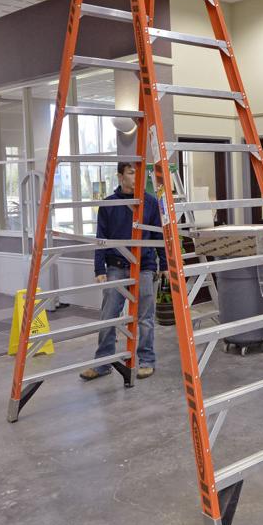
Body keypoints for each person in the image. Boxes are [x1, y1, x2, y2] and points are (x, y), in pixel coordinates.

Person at [81, 162, 166, 381]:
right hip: (116, 267)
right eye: (130, 172)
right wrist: (99, 267)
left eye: (138, 172)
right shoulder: (109, 205)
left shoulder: (150, 203)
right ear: (120, 177)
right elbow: (101, 238)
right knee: (109, 316)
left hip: (144, 267)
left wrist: (164, 265)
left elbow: (159, 237)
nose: (135, 176)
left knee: (145, 318)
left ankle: (146, 360)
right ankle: (103, 363)